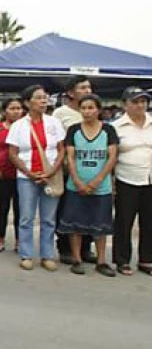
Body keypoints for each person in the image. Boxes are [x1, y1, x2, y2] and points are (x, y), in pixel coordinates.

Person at [7, 85, 66, 271]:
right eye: (39, 97)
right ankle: (26, 254)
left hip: (50, 176)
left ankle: (47, 255)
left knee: (49, 218)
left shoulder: (54, 123)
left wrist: (51, 171)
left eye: (45, 97)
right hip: (26, 178)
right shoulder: (18, 126)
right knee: (26, 217)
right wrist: (29, 173)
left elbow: (61, 149)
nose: (43, 101)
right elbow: (13, 154)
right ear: (27, 102)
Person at [59, 94, 118, 277]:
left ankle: (101, 261)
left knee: (101, 225)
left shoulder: (108, 130)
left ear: (98, 110)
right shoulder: (73, 130)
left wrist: (97, 180)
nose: (87, 112)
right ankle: (76, 259)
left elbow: (112, 157)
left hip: (102, 187)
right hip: (76, 186)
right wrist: (77, 180)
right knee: (75, 225)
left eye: (91, 107)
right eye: (83, 108)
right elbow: (70, 157)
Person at [52, 74, 97, 264]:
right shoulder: (60, 114)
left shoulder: (92, 111)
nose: (87, 91)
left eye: (89, 87)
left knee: (89, 210)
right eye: (82, 88)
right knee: (67, 210)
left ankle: (86, 248)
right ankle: (65, 249)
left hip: (90, 169)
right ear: (71, 92)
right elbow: (57, 143)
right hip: (67, 170)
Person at [111, 87, 152, 276]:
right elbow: (110, 156)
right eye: (135, 102)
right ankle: (122, 260)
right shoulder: (116, 127)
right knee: (124, 222)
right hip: (126, 179)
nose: (140, 105)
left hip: (150, 179)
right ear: (125, 105)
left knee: (149, 222)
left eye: (143, 101)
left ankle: (146, 260)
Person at [0, 97, 23, 253]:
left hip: (22, 174)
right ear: (4, 111)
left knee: (20, 210)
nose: (16, 111)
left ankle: (19, 241)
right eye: (12, 108)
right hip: (2, 174)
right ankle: (0, 239)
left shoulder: (26, 128)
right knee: (3, 208)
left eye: (18, 108)